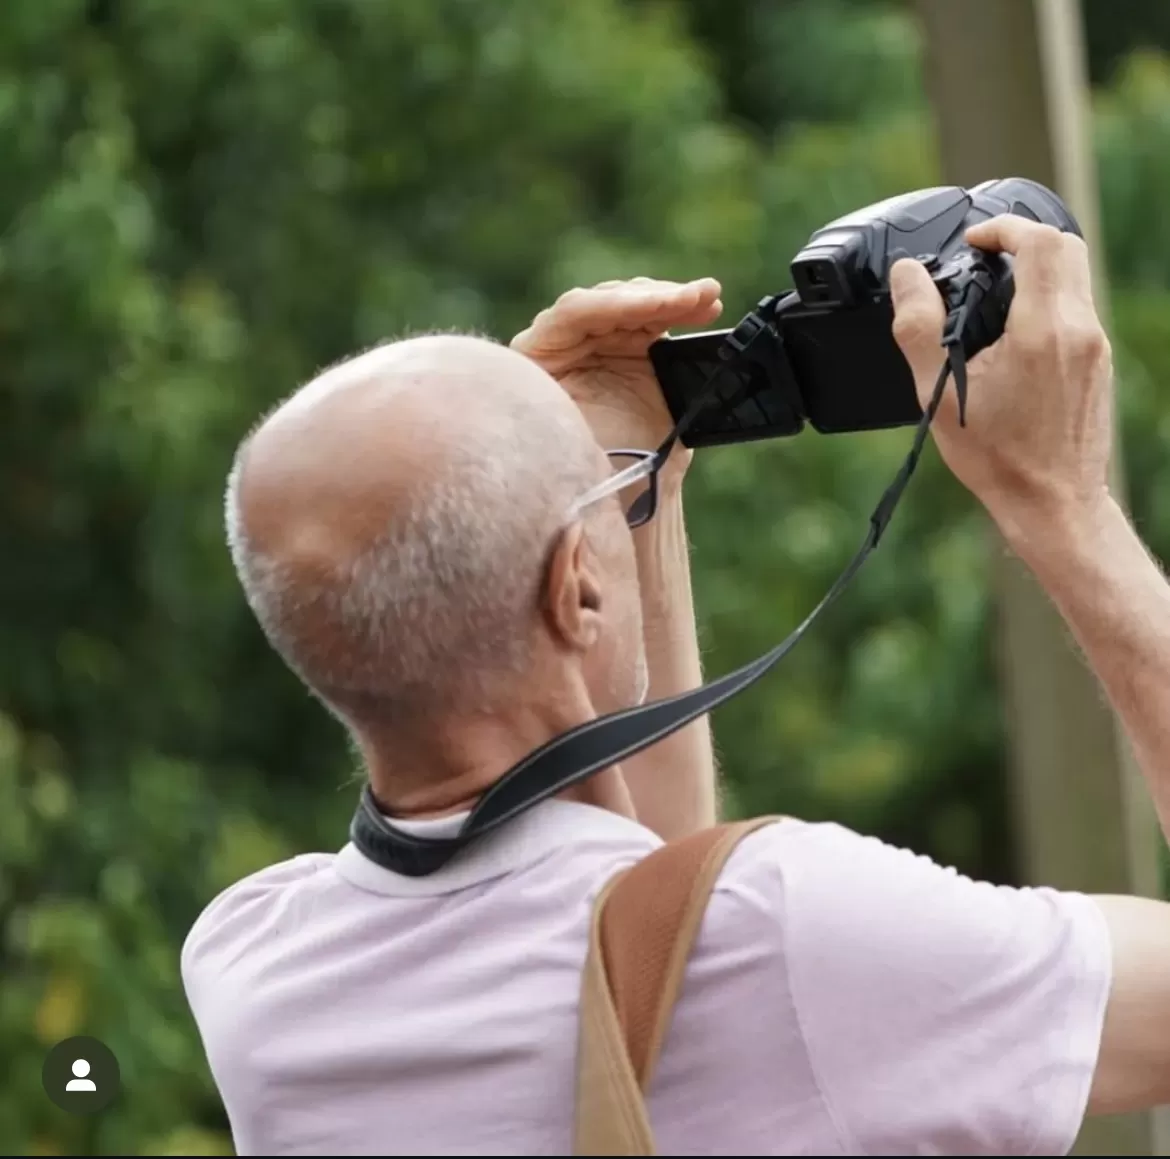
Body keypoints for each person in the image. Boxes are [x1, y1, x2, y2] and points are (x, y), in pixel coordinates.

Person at [182, 215, 1170, 1155]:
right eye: (607, 490)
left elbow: (650, 929)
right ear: (577, 588)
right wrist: (1063, 504)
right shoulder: (800, 930)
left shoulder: (252, 968)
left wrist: (633, 492)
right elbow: (701, 940)